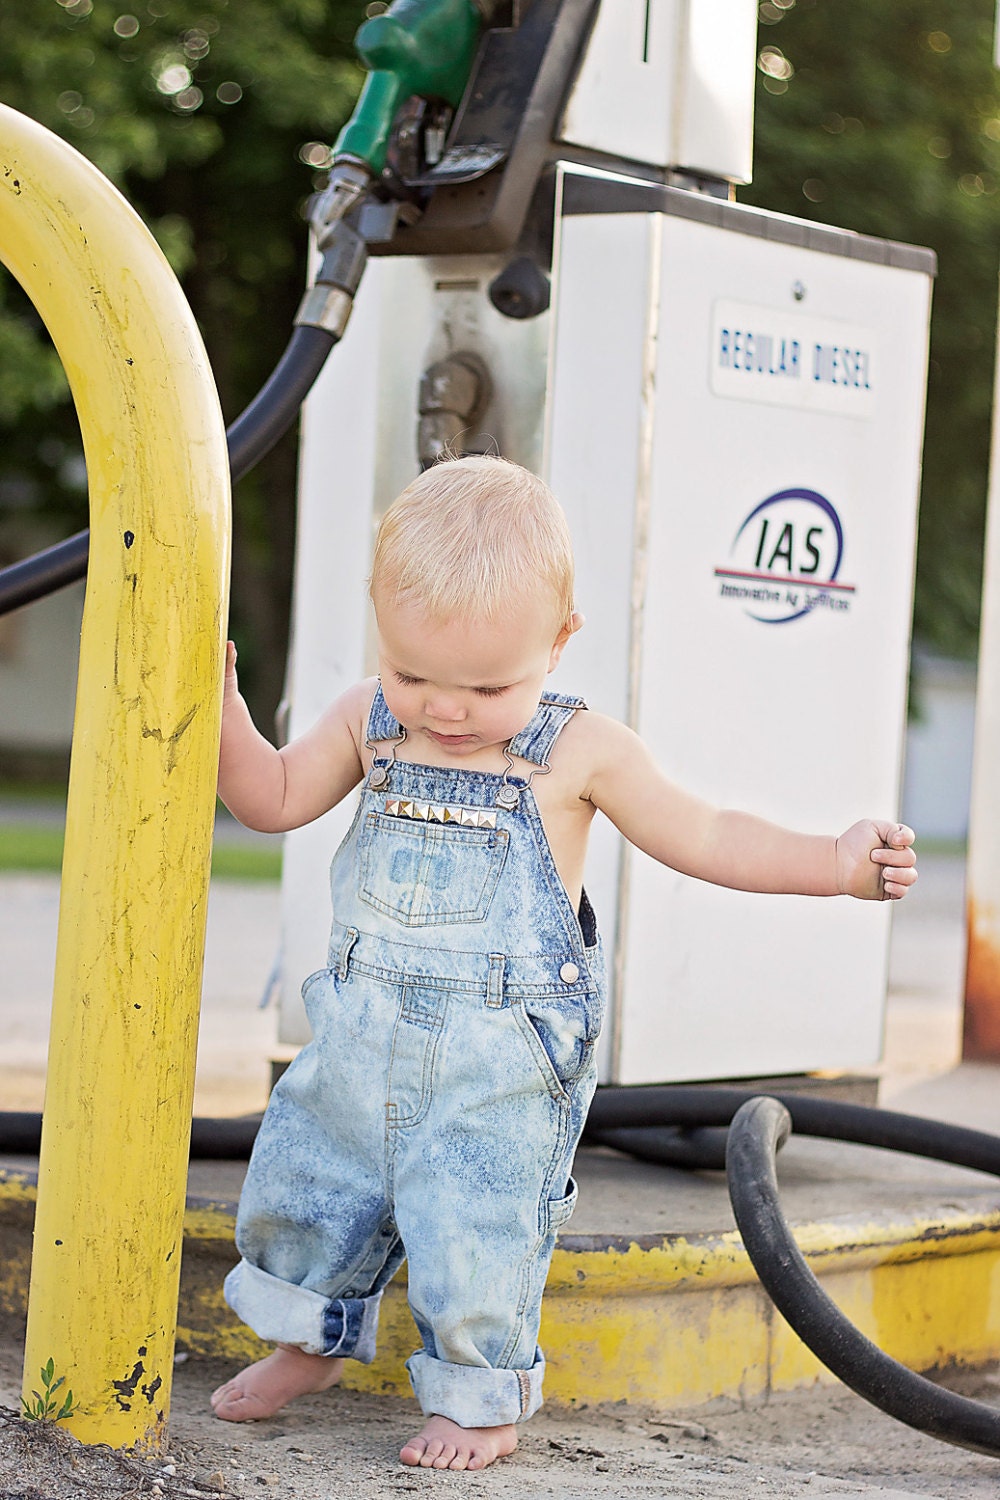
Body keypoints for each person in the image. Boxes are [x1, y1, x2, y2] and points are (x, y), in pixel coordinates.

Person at [210, 454, 918, 1471]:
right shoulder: (367, 720)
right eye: (414, 675)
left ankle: (480, 1400)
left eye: (487, 686)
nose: (444, 711)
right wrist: (226, 714)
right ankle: (303, 1340)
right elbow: (271, 798)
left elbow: (706, 833)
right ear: (379, 626)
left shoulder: (575, 750)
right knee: (309, 1185)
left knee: (478, 1223)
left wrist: (832, 863)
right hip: (361, 1033)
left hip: (498, 1062)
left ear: (560, 640)